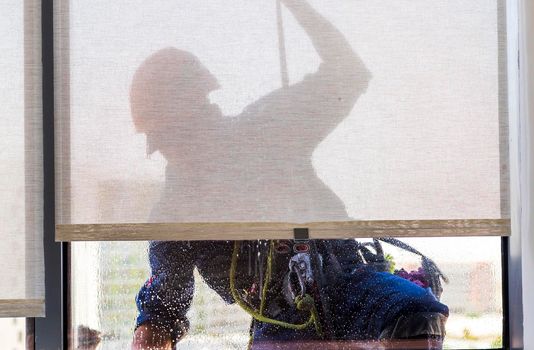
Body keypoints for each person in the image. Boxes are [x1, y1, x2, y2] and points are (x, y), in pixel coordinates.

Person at [130, 0, 448, 349]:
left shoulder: (267, 130)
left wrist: (299, 7)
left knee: (416, 315)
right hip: (279, 322)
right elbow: (164, 301)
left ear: (210, 110)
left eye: (188, 128)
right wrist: (150, 333)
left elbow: (347, 72)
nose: (183, 149)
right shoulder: (176, 214)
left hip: (347, 288)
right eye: (169, 139)